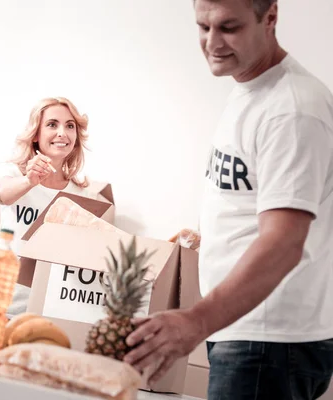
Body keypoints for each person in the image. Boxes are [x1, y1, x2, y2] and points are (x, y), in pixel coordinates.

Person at [124, 1, 333, 399]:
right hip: (248, 331)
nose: (212, 43)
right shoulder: (251, 90)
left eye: (229, 27)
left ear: (270, 18)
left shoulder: (292, 109)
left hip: (269, 340)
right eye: (203, 26)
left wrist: (196, 321)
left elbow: (284, 243)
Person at [0, 97, 91, 315]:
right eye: (52, 124)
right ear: (36, 135)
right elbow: (3, 195)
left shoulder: (82, 194)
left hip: (51, 307)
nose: (62, 133)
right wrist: (30, 180)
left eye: (70, 126)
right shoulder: (14, 174)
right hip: (5, 302)